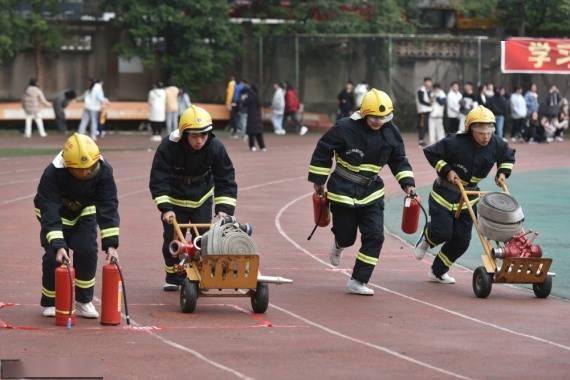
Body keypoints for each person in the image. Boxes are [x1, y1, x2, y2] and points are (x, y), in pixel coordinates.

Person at [308, 89, 415, 295]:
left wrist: (408, 183)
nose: (377, 121)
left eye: (382, 117)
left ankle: (358, 280)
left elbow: (399, 160)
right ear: (364, 113)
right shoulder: (345, 127)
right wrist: (319, 180)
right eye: (374, 117)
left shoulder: (392, 132)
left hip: (372, 192)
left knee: (375, 236)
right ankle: (339, 243)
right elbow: (323, 149)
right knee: (347, 237)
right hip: (342, 190)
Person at [414, 105, 515, 283]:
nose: (485, 136)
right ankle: (427, 238)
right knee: (442, 232)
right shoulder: (455, 141)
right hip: (444, 193)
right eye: (480, 131)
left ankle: (438, 271)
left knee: (462, 240)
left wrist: (502, 173)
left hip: (469, 195)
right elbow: (431, 153)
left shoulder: (496, 143)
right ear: (470, 129)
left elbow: (507, 157)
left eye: (489, 131)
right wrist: (447, 171)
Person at [149, 105, 238, 291]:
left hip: (202, 197)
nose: (200, 141)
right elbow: (159, 178)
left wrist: (224, 211)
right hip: (175, 200)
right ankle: (173, 276)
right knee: (172, 240)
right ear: (184, 134)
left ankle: (201, 274)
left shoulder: (215, 147)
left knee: (204, 239)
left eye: (204, 136)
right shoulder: (168, 147)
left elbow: (226, 178)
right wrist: (165, 208)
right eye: (195, 136)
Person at [34, 133, 120, 318]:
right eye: (80, 170)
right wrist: (58, 245)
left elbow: (108, 206)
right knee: (52, 257)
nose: (86, 173)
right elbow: (49, 211)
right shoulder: (52, 174)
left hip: (84, 211)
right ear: (68, 166)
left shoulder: (104, 171)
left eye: (90, 168)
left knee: (87, 250)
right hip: (55, 216)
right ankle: (51, 301)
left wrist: (111, 244)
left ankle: (83, 301)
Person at [243, 84, 266, 151]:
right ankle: (262, 147)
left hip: (251, 116)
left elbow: (244, 104)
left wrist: (244, 98)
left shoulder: (250, 96)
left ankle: (252, 146)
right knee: (259, 132)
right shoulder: (258, 96)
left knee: (251, 132)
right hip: (258, 116)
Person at [416, 77, 433, 147]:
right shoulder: (421, 90)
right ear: (424, 82)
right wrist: (429, 104)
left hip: (428, 111)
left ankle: (423, 140)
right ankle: (421, 141)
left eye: (430, 82)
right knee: (422, 126)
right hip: (422, 112)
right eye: (427, 82)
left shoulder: (429, 91)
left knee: (425, 126)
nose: (429, 83)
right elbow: (421, 100)